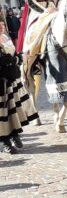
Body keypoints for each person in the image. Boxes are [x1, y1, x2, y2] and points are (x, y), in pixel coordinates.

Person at [0, 15, 39, 154]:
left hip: (12, 80)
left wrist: (19, 56)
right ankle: (5, 141)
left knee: (14, 110)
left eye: (2, 24)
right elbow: (3, 60)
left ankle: (15, 133)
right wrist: (15, 59)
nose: (1, 26)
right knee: (3, 113)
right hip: (2, 82)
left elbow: (12, 55)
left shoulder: (5, 37)